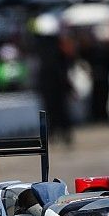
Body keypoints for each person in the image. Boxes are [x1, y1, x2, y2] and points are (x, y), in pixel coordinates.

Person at [35, 14, 74, 145]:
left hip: (46, 81)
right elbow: (66, 62)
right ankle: (63, 134)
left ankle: (53, 134)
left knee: (49, 110)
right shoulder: (58, 43)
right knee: (61, 109)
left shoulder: (38, 44)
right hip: (57, 80)